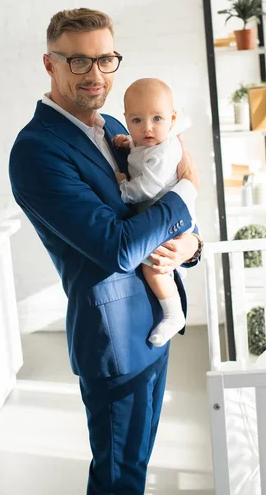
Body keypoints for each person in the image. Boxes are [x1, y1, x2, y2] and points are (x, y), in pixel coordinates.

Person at [9, 8, 202, 495]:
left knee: (136, 461)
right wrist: (189, 192)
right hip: (114, 337)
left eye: (105, 59)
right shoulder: (36, 150)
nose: (95, 75)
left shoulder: (119, 124)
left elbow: (149, 203)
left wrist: (192, 244)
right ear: (49, 64)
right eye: (78, 62)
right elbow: (117, 246)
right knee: (120, 477)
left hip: (156, 319)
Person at [113, 77, 195, 348]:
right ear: (126, 119)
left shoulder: (164, 151)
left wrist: (123, 187)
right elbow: (140, 154)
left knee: (155, 268)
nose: (147, 128)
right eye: (137, 121)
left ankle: (174, 314)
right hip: (162, 216)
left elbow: (146, 187)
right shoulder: (149, 142)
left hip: (168, 219)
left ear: (172, 118)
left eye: (157, 119)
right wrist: (129, 144)